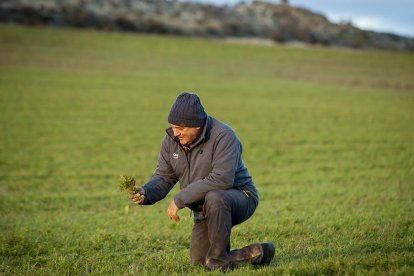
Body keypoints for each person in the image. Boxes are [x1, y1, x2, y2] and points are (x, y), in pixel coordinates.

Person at [130, 92, 275, 271]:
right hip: (204, 208)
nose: (175, 133)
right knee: (199, 262)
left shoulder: (224, 136)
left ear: (196, 125)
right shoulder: (171, 140)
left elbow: (222, 179)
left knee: (215, 197)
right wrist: (146, 193)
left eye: (180, 128)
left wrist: (180, 199)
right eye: (172, 126)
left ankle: (217, 264)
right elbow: (164, 176)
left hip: (239, 197)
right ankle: (256, 252)